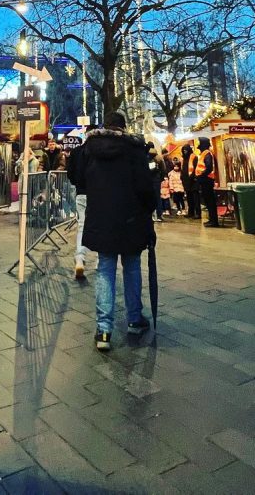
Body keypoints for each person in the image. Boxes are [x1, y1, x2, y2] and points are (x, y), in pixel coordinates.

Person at [76, 112, 156, 350]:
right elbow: (145, 186)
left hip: (102, 217)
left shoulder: (89, 148)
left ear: (105, 126)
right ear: (124, 127)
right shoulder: (134, 148)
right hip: (131, 218)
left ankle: (103, 330)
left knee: (104, 268)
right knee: (131, 267)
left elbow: (77, 177)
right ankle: (134, 319)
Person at [66, 139, 94, 280]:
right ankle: (101, 260)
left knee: (82, 225)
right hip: (98, 194)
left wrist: (77, 183)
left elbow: (70, 173)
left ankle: (80, 258)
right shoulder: (98, 151)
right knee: (101, 225)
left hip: (81, 193)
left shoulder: (76, 152)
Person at [195, 136, 219, 228]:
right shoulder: (205, 153)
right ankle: (212, 220)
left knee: (210, 201)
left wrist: (201, 176)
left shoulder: (207, 154)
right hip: (205, 180)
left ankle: (214, 221)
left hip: (207, 180)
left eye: (199, 143)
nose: (198, 145)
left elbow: (209, 167)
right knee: (208, 201)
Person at [146, 142, 167, 222]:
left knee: (148, 197)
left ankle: (150, 215)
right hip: (156, 180)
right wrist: (160, 178)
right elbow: (164, 170)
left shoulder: (146, 156)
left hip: (148, 180)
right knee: (158, 197)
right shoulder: (158, 157)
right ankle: (159, 215)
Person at [181, 143, 201, 219]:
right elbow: (183, 169)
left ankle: (198, 213)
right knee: (189, 198)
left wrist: (193, 176)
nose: (185, 151)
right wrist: (182, 177)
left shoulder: (194, 157)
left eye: (186, 150)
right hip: (186, 181)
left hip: (193, 181)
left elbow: (196, 168)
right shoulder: (183, 158)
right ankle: (191, 212)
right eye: (183, 150)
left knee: (196, 198)